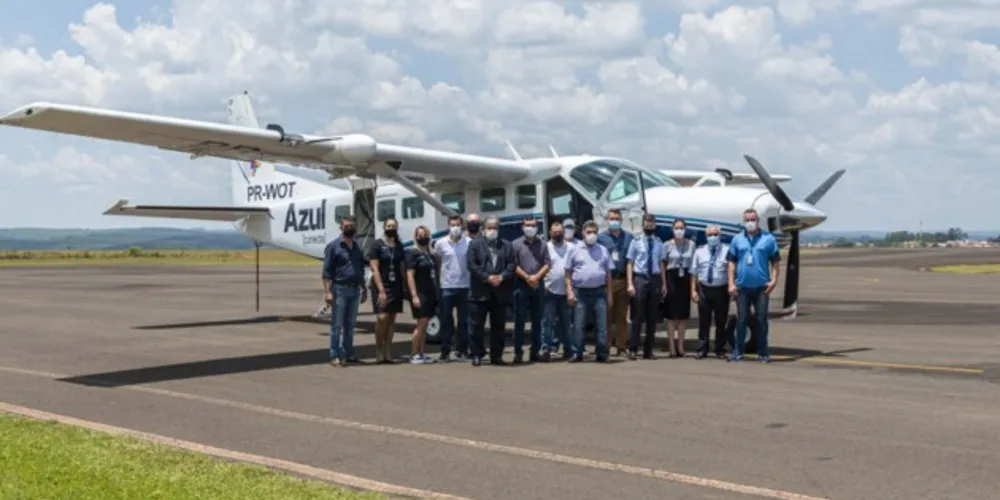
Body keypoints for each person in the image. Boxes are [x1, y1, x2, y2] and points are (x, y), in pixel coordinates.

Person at [727, 208, 781, 363]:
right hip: (742, 287)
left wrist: (774, 281)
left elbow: (775, 262)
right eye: (747, 220)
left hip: (762, 288)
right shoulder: (737, 239)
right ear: (744, 221)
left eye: (753, 219)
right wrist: (731, 283)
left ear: (758, 221)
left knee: (761, 320)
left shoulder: (768, 239)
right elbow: (731, 262)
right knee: (742, 319)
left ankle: (763, 353)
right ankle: (738, 352)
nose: (750, 222)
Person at [467, 215, 516, 366]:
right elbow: (472, 265)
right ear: (483, 229)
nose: (492, 231)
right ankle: (477, 354)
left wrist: (502, 277)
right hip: (479, 292)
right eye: (489, 228)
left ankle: (497, 356)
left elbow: (512, 264)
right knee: (476, 326)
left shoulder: (506, 245)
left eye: (495, 228)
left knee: (499, 326)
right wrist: (487, 278)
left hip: (500, 292)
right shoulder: (475, 244)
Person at [564, 220, 614, 363]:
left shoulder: (603, 250)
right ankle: (577, 352)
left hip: (599, 293)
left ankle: (602, 353)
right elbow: (567, 272)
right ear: (583, 233)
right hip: (581, 293)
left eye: (594, 232)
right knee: (578, 325)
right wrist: (570, 291)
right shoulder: (574, 249)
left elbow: (608, 274)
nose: (591, 235)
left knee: (602, 326)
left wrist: (610, 294)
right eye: (589, 232)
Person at [321, 216, 368, 367]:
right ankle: (334, 354)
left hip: (355, 289)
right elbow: (326, 272)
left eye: (352, 226)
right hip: (339, 289)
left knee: (350, 324)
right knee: (336, 324)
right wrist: (328, 292)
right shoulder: (333, 246)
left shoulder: (358, 246)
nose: (350, 228)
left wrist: (364, 288)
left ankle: (349, 353)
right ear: (341, 228)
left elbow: (359, 269)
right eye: (347, 226)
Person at [625, 213, 666, 360]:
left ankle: (648, 350)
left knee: (652, 317)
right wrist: (630, 283)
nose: (649, 226)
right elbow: (630, 263)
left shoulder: (658, 242)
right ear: (642, 225)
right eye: (647, 223)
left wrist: (664, 283)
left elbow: (661, 263)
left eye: (652, 224)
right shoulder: (636, 242)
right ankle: (633, 348)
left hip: (654, 279)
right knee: (637, 316)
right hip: (640, 279)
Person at [366, 216, 405, 364]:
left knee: (391, 319)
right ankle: (378, 348)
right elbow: (374, 268)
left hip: (396, 285)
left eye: (393, 226)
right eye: (388, 226)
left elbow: (402, 266)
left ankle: (388, 349)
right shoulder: (377, 245)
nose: (391, 229)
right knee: (382, 317)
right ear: (384, 227)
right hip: (381, 284)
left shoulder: (399, 246)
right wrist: (381, 289)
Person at [512, 216, 550, 364]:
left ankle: (535, 351)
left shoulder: (543, 244)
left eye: (533, 225)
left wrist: (536, 277)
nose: (530, 227)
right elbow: (513, 265)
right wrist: (528, 278)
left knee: (537, 320)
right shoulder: (515, 244)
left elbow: (547, 263)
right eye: (528, 225)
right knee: (519, 320)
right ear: (522, 226)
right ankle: (518, 353)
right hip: (521, 286)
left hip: (538, 285)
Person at [690, 224, 731, 359]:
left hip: (721, 289)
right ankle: (702, 348)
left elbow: (732, 270)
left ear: (720, 236)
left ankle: (720, 349)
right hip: (704, 289)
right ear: (706, 236)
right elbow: (694, 273)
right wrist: (693, 291)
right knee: (704, 321)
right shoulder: (699, 251)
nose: (713, 237)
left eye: (715, 234)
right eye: (710, 235)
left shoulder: (727, 250)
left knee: (721, 321)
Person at [434, 214, 471, 362]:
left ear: (462, 226)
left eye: (458, 225)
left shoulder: (468, 242)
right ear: (448, 226)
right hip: (447, 287)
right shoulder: (440, 243)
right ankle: (445, 351)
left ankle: (462, 350)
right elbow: (438, 263)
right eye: (453, 225)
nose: (455, 228)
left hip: (465, 286)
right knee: (446, 321)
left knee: (464, 322)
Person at [598, 208, 633, 357]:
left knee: (621, 315)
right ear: (607, 219)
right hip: (607, 281)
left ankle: (621, 346)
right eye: (612, 218)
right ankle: (605, 345)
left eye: (617, 219)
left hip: (623, 279)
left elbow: (630, 261)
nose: (614, 221)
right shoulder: (601, 238)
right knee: (606, 315)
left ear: (621, 220)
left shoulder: (629, 237)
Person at [662, 218, 695, 358]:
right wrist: (663, 283)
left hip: (685, 279)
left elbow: (694, 266)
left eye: (681, 228)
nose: (679, 230)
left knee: (683, 316)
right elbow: (662, 264)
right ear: (672, 229)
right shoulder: (666, 245)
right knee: (671, 316)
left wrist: (694, 286)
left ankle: (680, 345)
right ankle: (671, 346)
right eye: (677, 228)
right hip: (671, 278)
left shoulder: (691, 244)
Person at [406, 225, 439, 365]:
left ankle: (421, 352)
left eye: (425, 234)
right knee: (420, 324)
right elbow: (410, 276)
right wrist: (414, 295)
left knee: (425, 326)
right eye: (419, 235)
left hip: (430, 292)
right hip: (420, 293)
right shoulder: (412, 253)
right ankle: (414, 353)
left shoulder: (430, 254)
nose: (422, 237)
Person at [541, 220, 573, 361]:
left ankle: (568, 349)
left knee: (566, 323)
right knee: (548, 322)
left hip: (567, 291)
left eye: (560, 232)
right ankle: (546, 348)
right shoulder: (545, 247)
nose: (557, 234)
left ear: (564, 233)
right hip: (550, 290)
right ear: (550, 233)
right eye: (555, 232)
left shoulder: (571, 247)